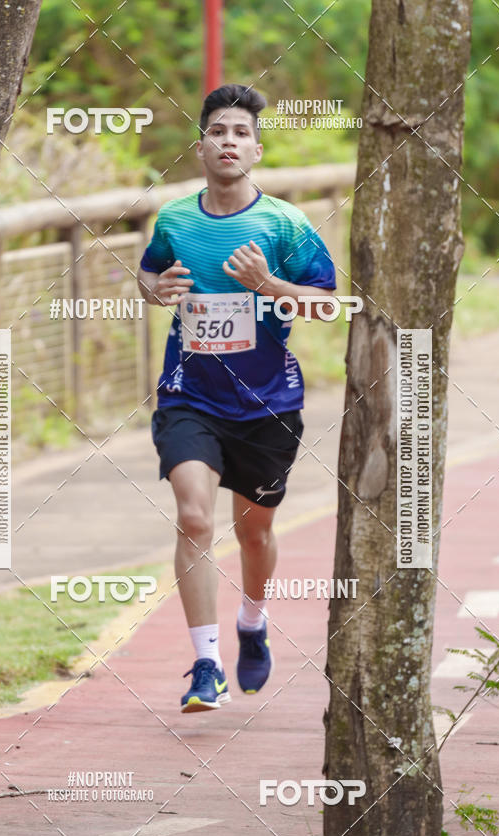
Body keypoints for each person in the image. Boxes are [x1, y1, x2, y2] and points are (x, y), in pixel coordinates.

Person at [137, 83, 336, 713]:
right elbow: (149, 269)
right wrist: (151, 286)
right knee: (194, 517)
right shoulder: (175, 219)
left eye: (241, 133)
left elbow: (330, 304)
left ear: (255, 149)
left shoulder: (284, 223)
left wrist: (270, 282)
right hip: (188, 394)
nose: (229, 141)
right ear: (201, 147)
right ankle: (204, 663)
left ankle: (253, 621)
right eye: (218, 131)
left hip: (267, 403)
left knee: (254, 533)